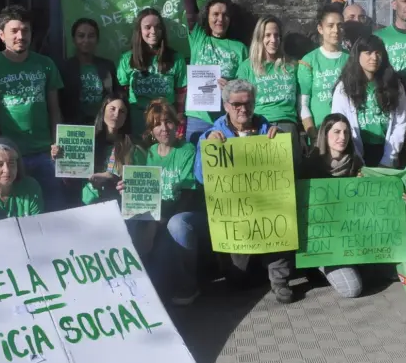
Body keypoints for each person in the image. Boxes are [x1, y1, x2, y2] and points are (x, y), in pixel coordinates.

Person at [193, 80, 291, 302]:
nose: (243, 109)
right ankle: (255, 268)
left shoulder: (267, 129)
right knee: (239, 280)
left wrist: (280, 138)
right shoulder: (213, 133)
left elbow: (284, 172)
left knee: (280, 221)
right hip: (235, 214)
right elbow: (200, 178)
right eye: (237, 104)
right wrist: (207, 147)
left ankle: (279, 280)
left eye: (248, 103)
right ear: (226, 105)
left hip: (267, 207)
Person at [0, 5, 64, 212]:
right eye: (14, 31)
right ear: (1, 34)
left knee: (54, 210)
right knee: (16, 211)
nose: (20, 36)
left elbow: (54, 108)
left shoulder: (46, 64)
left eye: (25, 30)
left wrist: (57, 142)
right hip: (10, 157)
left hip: (45, 153)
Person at [183, 0, 249, 143]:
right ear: (208, 17)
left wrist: (230, 87)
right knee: (197, 160)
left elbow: (246, 86)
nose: (220, 19)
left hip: (227, 118)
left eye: (225, 15)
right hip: (198, 117)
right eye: (215, 14)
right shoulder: (199, 37)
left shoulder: (240, 48)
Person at [140, 99, 204, 306]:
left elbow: (188, 194)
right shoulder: (148, 154)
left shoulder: (186, 150)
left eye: (168, 122)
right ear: (151, 130)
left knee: (176, 225)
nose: (164, 128)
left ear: (176, 124)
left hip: (183, 214)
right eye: (157, 124)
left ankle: (189, 285)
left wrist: (164, 219)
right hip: (156, 216)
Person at [300, 113, 365, 299]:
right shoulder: (309, 165)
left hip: (351, 237)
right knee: (352, 289)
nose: (342, 137)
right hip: (323, 242)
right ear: (325, 134)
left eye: (346, 132)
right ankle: (316, 265)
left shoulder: (357, 163)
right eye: (336, 132)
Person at [331, 35, 406, 167]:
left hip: (387, 151)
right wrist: (356, 160)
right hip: (355, 152)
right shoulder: (344, 87)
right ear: (358, 55)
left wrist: (388, 160)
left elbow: (400, 123)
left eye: (378, 53)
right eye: (368, 53)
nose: (374, 58)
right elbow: (340, 123)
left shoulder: (395, 85)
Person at [236, 16, 301, 159]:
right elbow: (240, 103)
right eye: (268, 35)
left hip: (287, 126)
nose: (273, 40)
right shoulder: (246, 67)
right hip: (259, 126)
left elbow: (301, 102)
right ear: (259, 37)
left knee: (292, 172)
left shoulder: (292, 65)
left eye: (277, 35)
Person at [117, 8, 187, 136]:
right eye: (147, 27)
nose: (153, 31)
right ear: (139, 30)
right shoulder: (127, 59)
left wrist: (180, 115)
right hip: (136, 120)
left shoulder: (176, 58)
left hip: (165, 121)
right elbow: (122, 92)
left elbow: (181, 90)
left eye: (157, 27)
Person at [67, 93, 143, 208]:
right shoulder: (87, 142)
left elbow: (138, 184)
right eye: (112, 109)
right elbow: (69, 175)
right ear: (103, 111)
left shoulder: (133, 148)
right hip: (88, 205)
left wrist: (111, 177)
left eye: (122, 111)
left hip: (119, 207)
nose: (116, 114)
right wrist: (60, 156)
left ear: (126, 118)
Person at [300, 6, 348, 139]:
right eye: (330, 26)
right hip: (319, 132)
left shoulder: (352, 59)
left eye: (340, 26)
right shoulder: (308, 61)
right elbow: (303, 104)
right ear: (320, 29)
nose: (336, 30)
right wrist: (313, 135)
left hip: (346, 133)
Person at [60, 18, 119, 125]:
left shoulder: (107, 66)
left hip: (103, 125)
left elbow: (116, 96)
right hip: (75, 126)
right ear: (74, 39)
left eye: (91, 36)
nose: (86, 40)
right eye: (81, 36)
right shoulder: (64, 68)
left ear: (97, 39)